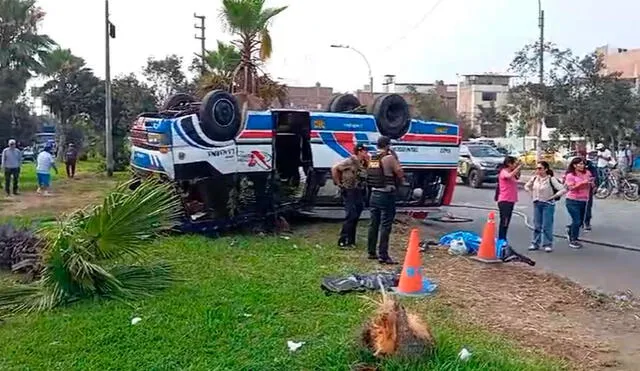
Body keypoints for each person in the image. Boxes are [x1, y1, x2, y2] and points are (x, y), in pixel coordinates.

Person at [367, 136, 404, 265]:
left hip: (374, 194)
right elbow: (399, 172)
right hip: (386, 194)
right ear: (388, 145)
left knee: (373, 224)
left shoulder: (373, 157)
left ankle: (371, 251)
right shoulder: (389, 158)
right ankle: (383, 255)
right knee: (385, 225)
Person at [331, 144, 369, 249]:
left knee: (356, 215)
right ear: (359, 151)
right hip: (349, 190)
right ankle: (343, 240)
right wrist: (338, 183)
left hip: (359, 190)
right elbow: (335, 168)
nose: (366, 153)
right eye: (365, 151)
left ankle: (351, 240)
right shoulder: (350, 161)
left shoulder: (363, 163)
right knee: (351, 215)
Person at [524, 161, 565, 253]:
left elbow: (562, 189)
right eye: (537, 168)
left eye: (540, 168)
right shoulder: (534, 178)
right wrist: (531, 194)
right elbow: (526, 186)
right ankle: (535, 243)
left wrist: (553, 197)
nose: (538, 170)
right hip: (537, 203)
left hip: (548, 204)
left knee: (547, 225)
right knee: (537, 224)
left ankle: (547, 244)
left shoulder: (551, 179)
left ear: (546, 169)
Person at [564, 157, 593, 249]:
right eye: (579, 164)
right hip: (572, 200)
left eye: (583, 164)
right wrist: (581, 183)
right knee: (576, 220)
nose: (582, 166)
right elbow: (571, 188)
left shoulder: (587, 173)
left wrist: (592, 184)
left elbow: (591, 183)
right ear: (574, 165)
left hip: (584, 200)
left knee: (580, 222)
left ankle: (571, 230)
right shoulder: (570, 175)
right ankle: (573, 239)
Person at [495, 156, 522, 242]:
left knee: (507, 221)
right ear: (509, 164)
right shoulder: (504, 172)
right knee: (504, 221)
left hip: (511, 200)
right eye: (514, 163)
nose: (515, 165)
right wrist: (518, 168)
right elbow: (509, 176)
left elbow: (517, 177)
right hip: (504, 200)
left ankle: (503, 238)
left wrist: (518, 169)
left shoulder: (511, 172)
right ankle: (501, 238)